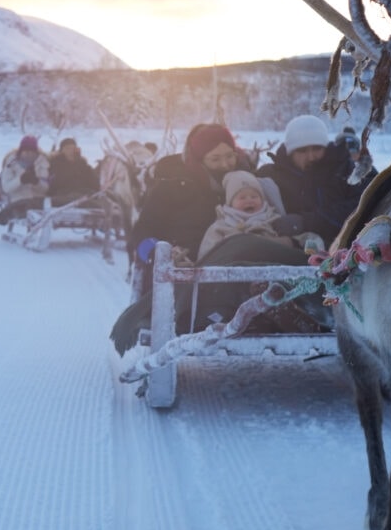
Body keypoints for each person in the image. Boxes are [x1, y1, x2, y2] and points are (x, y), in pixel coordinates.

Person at [110, 169, 322, 356]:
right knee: (232, 283)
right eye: (242, 197)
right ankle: (262, 311)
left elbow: (306, 243)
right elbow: (209, 256)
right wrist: (153, 251)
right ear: (230, 202)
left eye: (254, 196)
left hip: (269, 270)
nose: (249, 201)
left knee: (275, 279)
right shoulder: (220, 226)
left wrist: (292, 240)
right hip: (230, 282)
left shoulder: (274, 220)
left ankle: (290, 314)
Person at [128, 123, 251, 278]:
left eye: (230, 156)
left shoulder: (248, 184)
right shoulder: (170, 187)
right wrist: (160, 255)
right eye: (215, 159)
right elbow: (140, 234)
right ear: (199, 159)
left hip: (244, 274)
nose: (225, 165)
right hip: (182, 278)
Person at [256, 114, 373, 244]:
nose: (311, 157)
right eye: (302, 150)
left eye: (317, 148)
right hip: (284, 248)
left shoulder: (345, 169)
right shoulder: (271, 175)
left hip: (340, 247)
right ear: (290, 153)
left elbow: (361, 207)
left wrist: (306, 222)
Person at [0, 135, 50, 225]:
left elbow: (46, 188)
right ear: (21, 151)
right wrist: (20, 180)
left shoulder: (42, 162)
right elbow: (6, 188)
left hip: (38, 201)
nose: (29, 154)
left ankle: (11, 212)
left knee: (38, 205)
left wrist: (36, 182)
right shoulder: (11, 164)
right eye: (26, 151)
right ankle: (11, 211)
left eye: (32, 151)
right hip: (18, 200)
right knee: (23, 205)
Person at [48, 137, 99, 204]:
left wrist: (79, 162)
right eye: (67, 148)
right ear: (62, 150)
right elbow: (57, 182)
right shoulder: (56, 163)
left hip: (82, 194)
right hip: (62, 195)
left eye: (72, 148)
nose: (70, 151)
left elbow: (93, 180)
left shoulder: (82, 163)